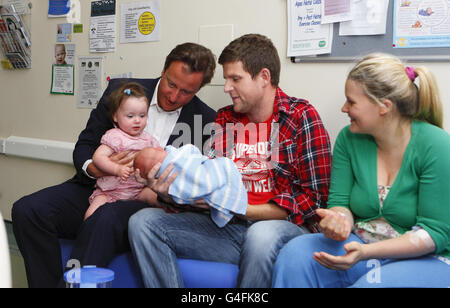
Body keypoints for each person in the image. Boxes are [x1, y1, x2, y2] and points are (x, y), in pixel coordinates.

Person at [128, 34, 332, 288]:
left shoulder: (300, 116)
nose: (226, 88)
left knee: (261, 234)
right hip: (229, 229)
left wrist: (240, 209)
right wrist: (170, 193)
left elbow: (314, 200)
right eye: (226, 79)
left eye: (235, 79)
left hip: (280, 232)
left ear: (264, 77)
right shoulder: (225, 119)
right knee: (143, 222)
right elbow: (204, 182)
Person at [11, 42, 217, 288]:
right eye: (172, 84)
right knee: (28, 210)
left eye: (186, 92)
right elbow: (85, 145)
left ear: (199, 89)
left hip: (143, 200)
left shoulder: (205, 120)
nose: (174, 96)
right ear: (163, 70)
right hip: (99, 186)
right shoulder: (121, 91)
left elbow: (197, 183)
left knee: (104, 218)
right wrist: (96, 167)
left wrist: (162, 191)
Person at [272, 53, 450, 288]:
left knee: (370, 285)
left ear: (384, 107)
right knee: (296, 254)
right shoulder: (349, 138)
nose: (343, 108)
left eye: (352, 102)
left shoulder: (437, 145)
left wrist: (366, 251)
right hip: (362, 247)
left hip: (426, 258)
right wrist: (339, 220)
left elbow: (434, 233)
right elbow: (339, 202)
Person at [84, 82, 160, 221]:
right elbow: (98, 157)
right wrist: (117, 168)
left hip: (138, 190)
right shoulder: (115, 136)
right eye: (130, 116)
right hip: (111, 192)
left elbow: (160, 156)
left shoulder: (149, 140)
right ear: (115, 117)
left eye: (142, 115)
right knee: (91, 215)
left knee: (157, 197)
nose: (137, 120)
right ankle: (88, 233)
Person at [134, 144, 247, 227]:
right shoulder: (223, 121)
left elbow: (191, 154)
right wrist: (166, 197)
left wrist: (225, 204)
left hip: (245, 219)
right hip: (205, 211)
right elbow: (193, 151)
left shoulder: (176, 154)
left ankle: (224, 195)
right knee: (142, 220)